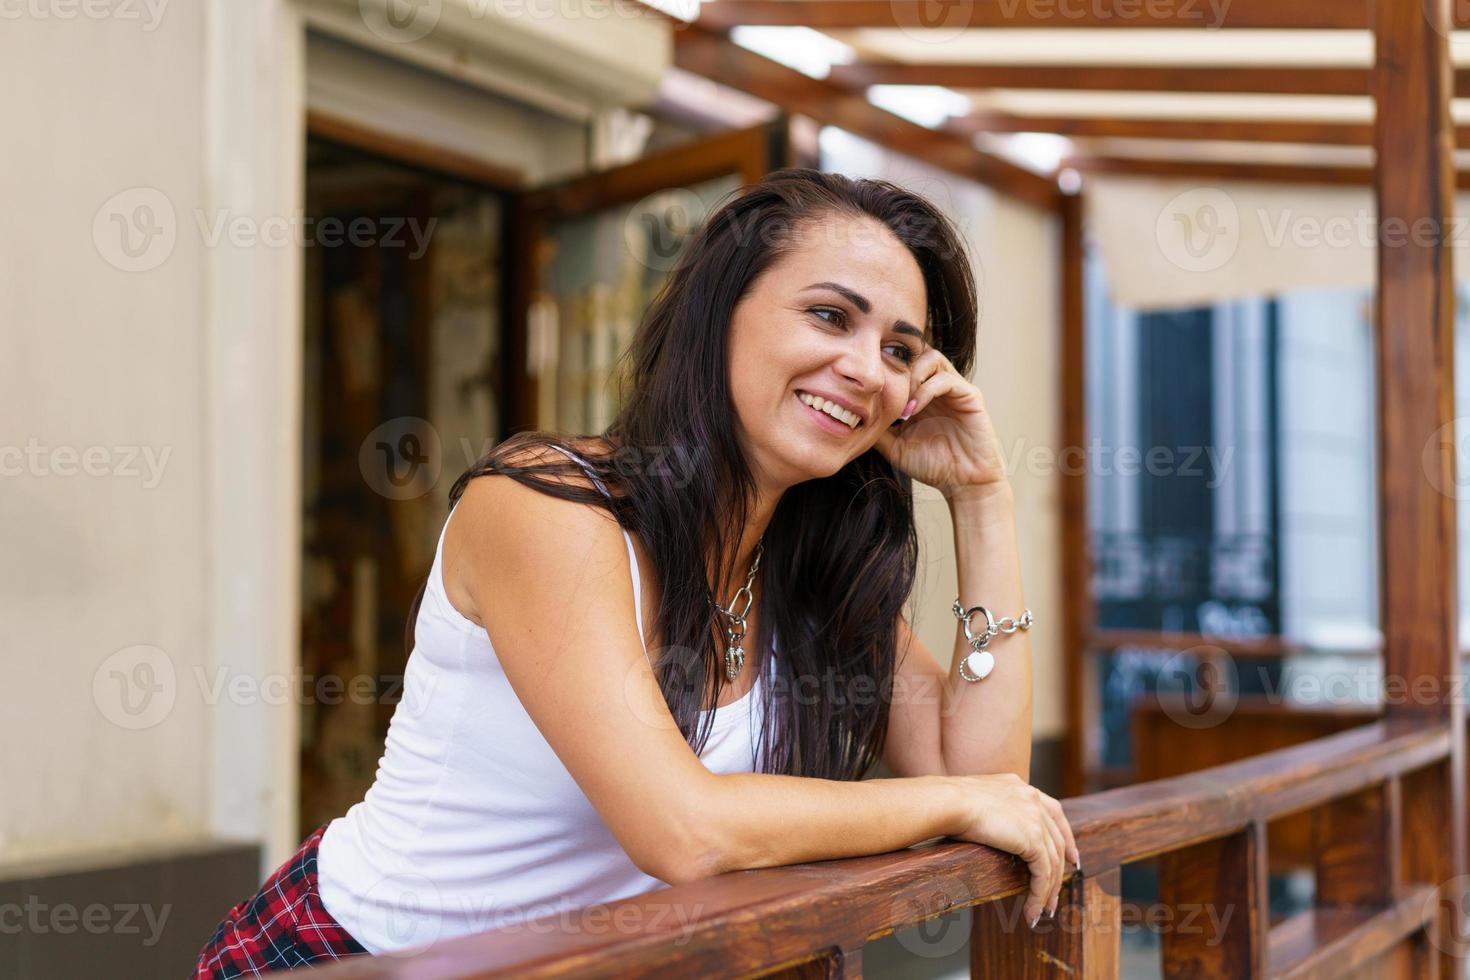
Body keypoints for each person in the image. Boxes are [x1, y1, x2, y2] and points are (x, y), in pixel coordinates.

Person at [194, 167, 1078, 976]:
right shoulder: (551, 508)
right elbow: (682, 830)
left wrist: (982, 497)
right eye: (830, 316)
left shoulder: (804, 575)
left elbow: (990, 774)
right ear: (721, 311)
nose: (863, 368)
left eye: (899, 349)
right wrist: (950, 805)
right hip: (355, 958)